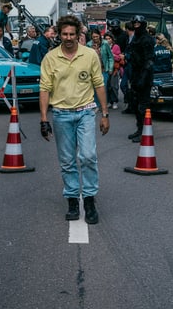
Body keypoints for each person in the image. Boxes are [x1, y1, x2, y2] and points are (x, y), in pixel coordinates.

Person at [39, 15, 110, 225]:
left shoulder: (89, 55)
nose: (68, 37)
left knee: (88, 156)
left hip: (86, 112)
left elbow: (99, 84)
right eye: (64, 34)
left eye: (72, 34)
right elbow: (45, 89)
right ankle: (72, 199)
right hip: (61, 114)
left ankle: (89, 200)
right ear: (59, 35)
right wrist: (44, 119)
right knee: (67, 160)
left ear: (78, 35)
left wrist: (105, 114)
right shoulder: (50, 58)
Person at [126, 15, 156, 142]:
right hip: (135, 73)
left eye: (138, 23)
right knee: (135, 103)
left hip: (144, 76)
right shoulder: (136, 38)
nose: (136, 25)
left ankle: (144, 132)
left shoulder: (146, 39)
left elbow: (149, 61)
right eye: (134, 23)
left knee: (142, 106)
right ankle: (139, 129)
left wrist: (143, 78)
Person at [89, 29, 114, 109]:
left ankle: (104, 105)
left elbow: (110, 56)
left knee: (104, 87)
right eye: (93, 37)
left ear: (100, 36)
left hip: (104, 69)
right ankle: (97, 104)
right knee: (95, 88)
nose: (95, 38)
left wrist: (110, 68)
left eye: (96, 36)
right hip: (93, 70)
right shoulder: (89, 44)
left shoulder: (105, 43)